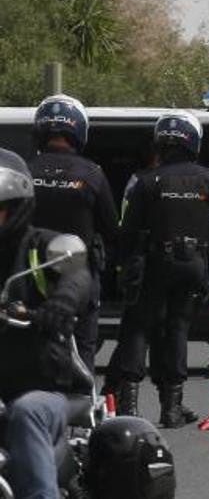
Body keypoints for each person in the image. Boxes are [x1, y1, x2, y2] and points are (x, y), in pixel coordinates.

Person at [110, 111, 209, 428]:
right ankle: (171, 409)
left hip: (155, 262)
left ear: (161, 142)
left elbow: (128, 232)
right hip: (193, 265)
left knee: (138, 328)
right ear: (194, 143)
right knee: (177, 330)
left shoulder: (148, 182)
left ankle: (129, 406)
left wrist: (125, 264)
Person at [0, 149, 93, 499]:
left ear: (17, 207)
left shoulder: (44, 247)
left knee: (28, 412)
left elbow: (77, 275)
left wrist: (62, 302)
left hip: (49, 390)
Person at [28, 94, 119, 365]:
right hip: (78, 276)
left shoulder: (24, 170)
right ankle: (82, 402)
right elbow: (112, 229)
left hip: (29, 274)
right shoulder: (92, 173)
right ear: (78, 130)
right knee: (83, 348)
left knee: (27, 345)